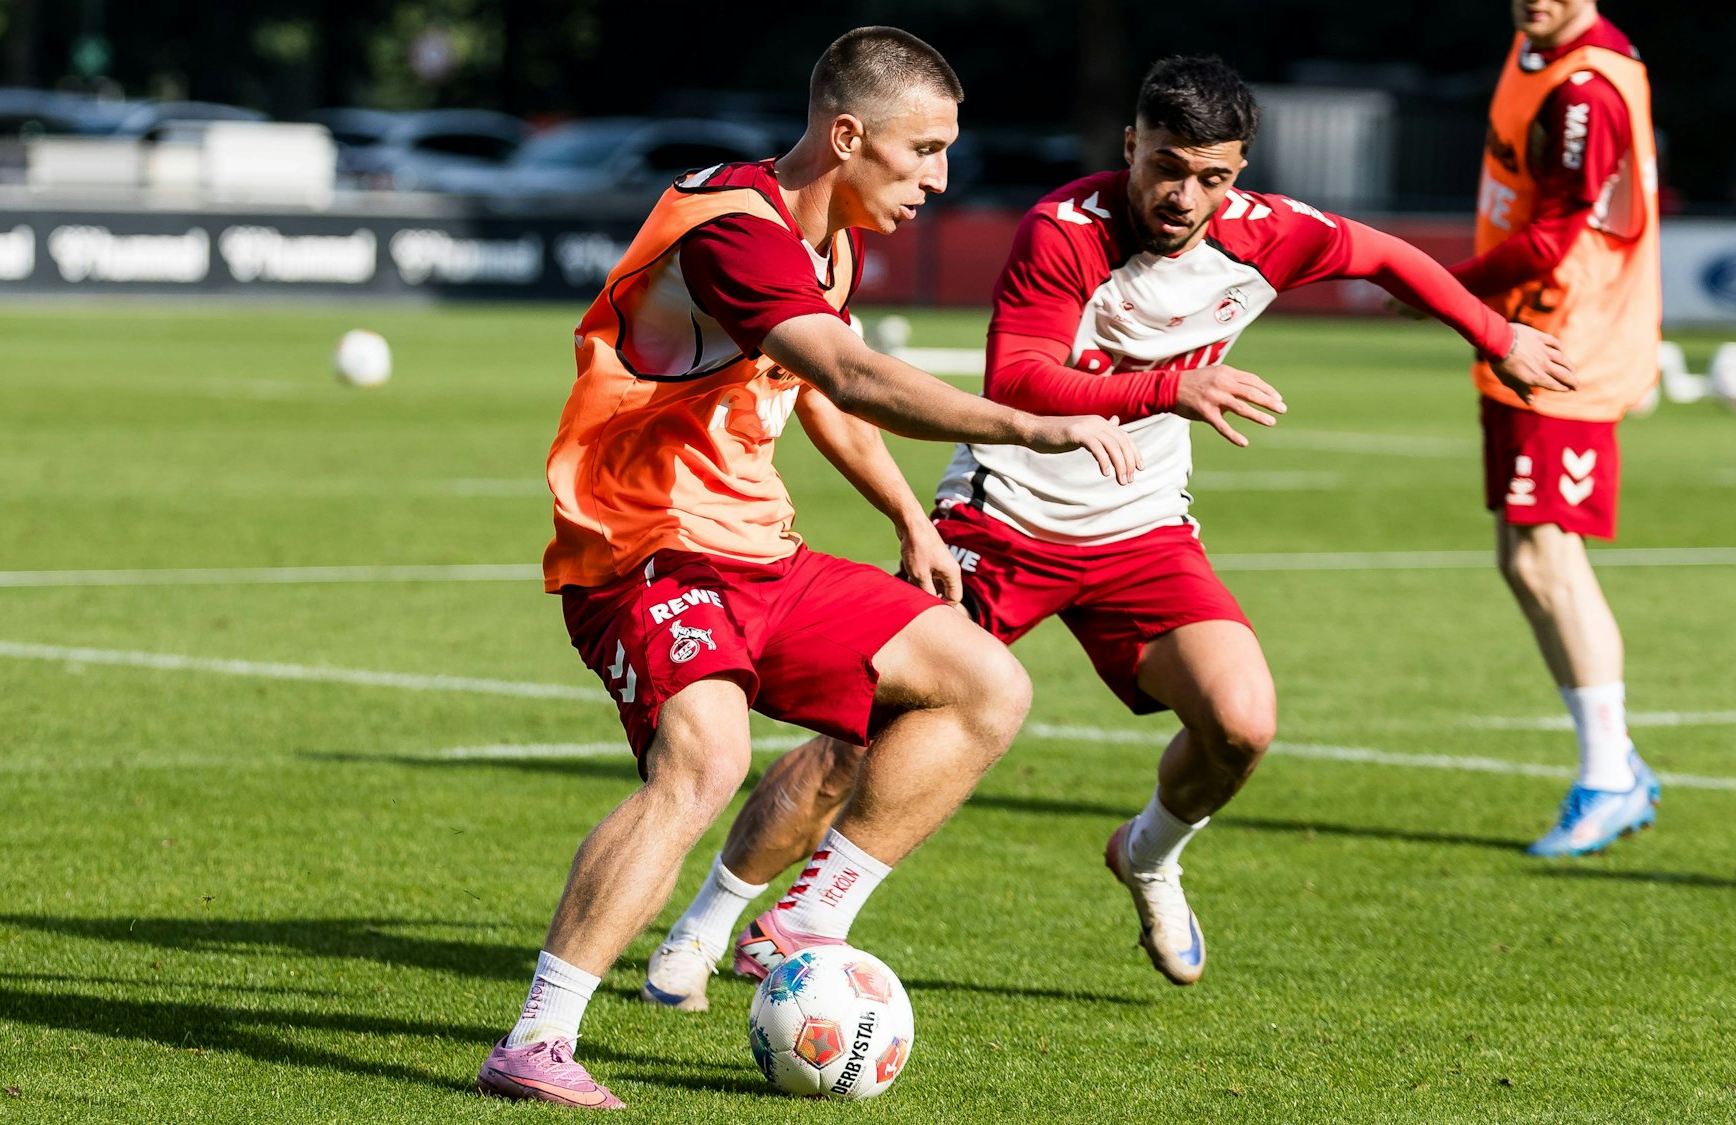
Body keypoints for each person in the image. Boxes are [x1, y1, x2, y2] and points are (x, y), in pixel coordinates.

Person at [637, 55, 1576, 1012]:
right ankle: (710, 924)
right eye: (1168, 166)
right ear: (1130, 146)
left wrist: (1496, 337)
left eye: (1214, 176)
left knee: (1242, 722)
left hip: (1143, 533)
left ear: (1239, 171)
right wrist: (1176, 386)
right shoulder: (1065, 229)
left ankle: (1149, 855)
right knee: (857, 736)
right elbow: (1021, 381)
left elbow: (1388, 256)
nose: (1186, 195)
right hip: (1002, 521)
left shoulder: (1265, 233)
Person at [473, 27, 1141, 1109]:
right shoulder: (735, 232)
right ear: (846, 135)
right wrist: (1023, 424)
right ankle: (538, 1039)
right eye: (920, 150)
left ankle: (805, 918)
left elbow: (814, 393)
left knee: (986, 684)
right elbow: (848, 370)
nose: (936, 177)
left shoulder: (826, 237)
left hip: (755, 554)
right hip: (640, 552)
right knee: (705, 762)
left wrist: (908, 524)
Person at [1447, 0, 1662, 857]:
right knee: (1524, 558)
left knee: (1545, 554)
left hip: (1563, 347)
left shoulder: (1585, 91)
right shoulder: (1537, 45)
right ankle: (1614, 766)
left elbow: (1549, 239)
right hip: (1525, 337)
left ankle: (1611, 773)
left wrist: (1442, 289)